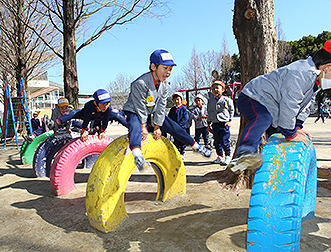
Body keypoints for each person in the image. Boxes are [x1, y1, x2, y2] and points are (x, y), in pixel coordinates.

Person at [227, 39, 331, 174]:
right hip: (253, 96)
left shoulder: (314, 81)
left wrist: (297, 126)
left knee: (276, 137)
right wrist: (290, 132)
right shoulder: (301, 73)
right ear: (327, 67)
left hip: (273, 108)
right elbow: (290, 103)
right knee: (264, 118)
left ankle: (274, 175)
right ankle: (244, 153)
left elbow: (305, 106)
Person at [123, 49, 212, 171]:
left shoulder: (164, 85)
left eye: (170, 69)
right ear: (153, 66)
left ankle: (195, 145)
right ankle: (137, 155)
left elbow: (161, 106)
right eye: (165, 68)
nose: (168, 72)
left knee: (172, 125)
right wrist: (144, 126)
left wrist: (157, 126)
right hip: (135, 111)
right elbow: (140, 107)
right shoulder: (140, 83)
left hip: (152, 112)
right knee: (135, 126)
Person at [45, 89, 127, 142]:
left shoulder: (107, 108)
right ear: (95, 103)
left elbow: (106, 119)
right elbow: (86, 119)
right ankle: (54, 123)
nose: (105, 106)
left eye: (107, 103)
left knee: (117, 116)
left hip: (101, 116)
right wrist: (83, 131)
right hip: (86, 115)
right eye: (103, 104)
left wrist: (103, 131)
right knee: (72, 112)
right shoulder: (89, 105)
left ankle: (131, 127)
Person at [207, 81, 234, 165]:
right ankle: (220, 156)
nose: (215, 90)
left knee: (224, 140)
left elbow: (231, 110)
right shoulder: (210, 101)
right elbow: (209, 112)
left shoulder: (226, 100)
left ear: (222, 90)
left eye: (217, 88)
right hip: (215, 123)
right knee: (217, 141)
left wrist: (229, 120)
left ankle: (228, 156)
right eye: (213, 88)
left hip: (224, 122)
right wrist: (208, 123)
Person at [168, 92, 188, 159]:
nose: (176, 101)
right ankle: (177, 153)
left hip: (181, 128)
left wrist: (179, 125)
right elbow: (169, 118)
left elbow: (185, 118)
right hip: (174, 129)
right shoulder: (172, 109)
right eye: (174, 100)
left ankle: (182, 152)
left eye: (178, 99)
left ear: (181, 100)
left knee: (182, 141)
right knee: (176, 141)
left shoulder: (183, 109)